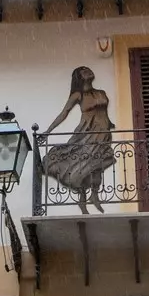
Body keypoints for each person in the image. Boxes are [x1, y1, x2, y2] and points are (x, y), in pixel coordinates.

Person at [43, 66, 116, 210]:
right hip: (87, 133)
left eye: (89, 69)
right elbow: (64, 113)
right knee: (84, 164)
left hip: (103, 133)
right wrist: (48, 131)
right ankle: (82, 197)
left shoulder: (101, 92)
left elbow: (103, 113)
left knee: (97, 165)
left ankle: (93, 195)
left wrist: (109, 124)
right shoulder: (78, 95)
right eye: (84, 71)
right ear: (79, 77)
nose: (89, 72)